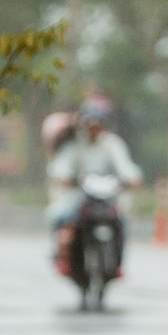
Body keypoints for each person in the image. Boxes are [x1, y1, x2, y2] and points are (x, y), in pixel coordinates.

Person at [47, 98, 143, 268]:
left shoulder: (112, 144)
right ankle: (61, 255)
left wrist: (132, 178)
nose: (94, 126)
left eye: (98, 122)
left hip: (106, 195)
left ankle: (118, 260)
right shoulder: (74, 145)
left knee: (121, 220)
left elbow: (125, 166)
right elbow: (62, 167)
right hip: (79, 196)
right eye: (90, 121)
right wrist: (64, 178)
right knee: (59, 217)